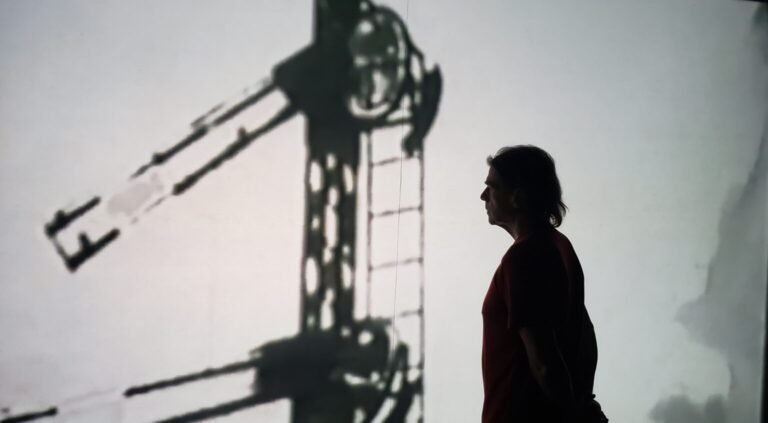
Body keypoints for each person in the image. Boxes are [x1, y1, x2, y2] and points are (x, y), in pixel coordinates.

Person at [480, 145, 607, 422]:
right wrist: (582, 401)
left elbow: (544, 362)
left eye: (492, 187)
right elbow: (585, 337)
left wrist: (576, 412)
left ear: (517, 196)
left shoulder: (522, 257)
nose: (483, 196)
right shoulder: (560, 246)